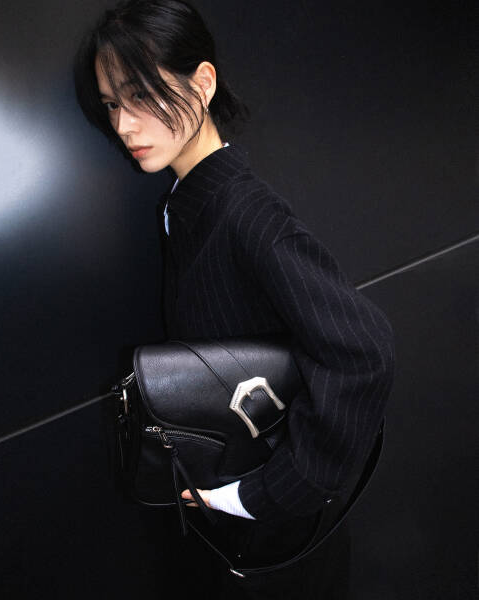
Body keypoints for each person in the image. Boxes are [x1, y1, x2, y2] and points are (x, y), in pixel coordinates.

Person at [73, 1, 396, 597]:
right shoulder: (187, 203)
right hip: (227, 524)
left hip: (278, 543)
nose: (123, 126)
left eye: (140, 95)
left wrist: (265, 494)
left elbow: (363, 352)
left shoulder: (247, 215)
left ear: (203, 83)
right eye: (112, 103)